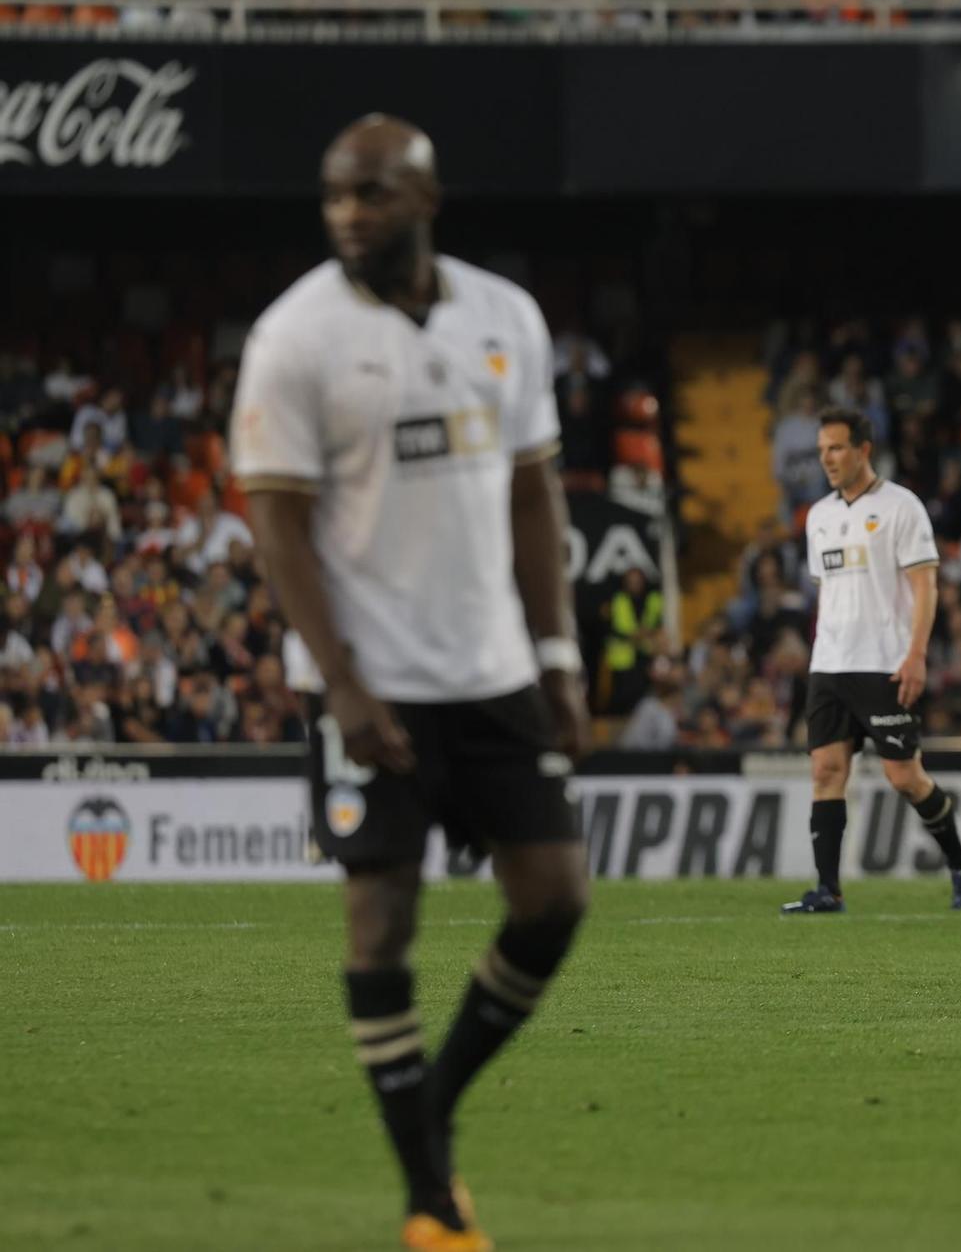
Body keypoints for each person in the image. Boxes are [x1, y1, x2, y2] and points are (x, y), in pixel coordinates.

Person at [229, 115, 590, 1252]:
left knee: (555, 899)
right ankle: (432, 1200)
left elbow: (536, 494)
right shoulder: (295, 337)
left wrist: (557, 651)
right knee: (380, 919)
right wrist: (338, 684)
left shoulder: (505, 317)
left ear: (425, 199)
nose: (349, 215)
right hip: (370, 681)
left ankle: (423, 1110)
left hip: (490, 670)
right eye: (336, 196)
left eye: (372, 196)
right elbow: (278, 525)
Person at [784, 406, 961, 913]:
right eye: (822, 449)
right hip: (829, 665)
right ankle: (828, 890)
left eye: (837, 448)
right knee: (827, 771)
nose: (827, 458)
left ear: (864, 449)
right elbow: (828, 592)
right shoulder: (820, 516)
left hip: (885, 664)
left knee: (904, 777)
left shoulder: (901, 507)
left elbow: (925, 585)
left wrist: (916, 655)